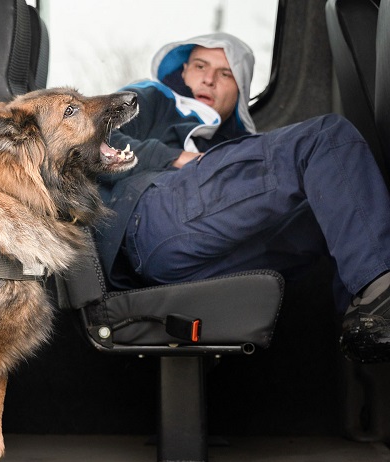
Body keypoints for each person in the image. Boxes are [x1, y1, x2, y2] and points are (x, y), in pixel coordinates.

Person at [94, 32, 390, 362]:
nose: (208, 78)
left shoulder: (236, 145)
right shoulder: (154, 98)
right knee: (326, 137)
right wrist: (172, 157)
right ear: (182, 73)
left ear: (240, 90)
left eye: (225, 73)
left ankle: (367, 317)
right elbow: (91, 136)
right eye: (199, 66)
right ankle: (384, 291)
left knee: (328, 206)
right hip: (148, 220)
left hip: (199, 262)